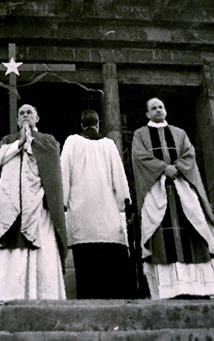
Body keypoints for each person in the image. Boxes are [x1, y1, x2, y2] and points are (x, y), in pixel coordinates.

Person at [131, 97, 214, 299]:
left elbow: (189, 154)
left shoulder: (179, 133)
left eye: (161, 107)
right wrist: (164, 168)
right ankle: (168, 288)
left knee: (194, 227)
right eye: (153, 108)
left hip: (182, 190)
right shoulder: (140, 134)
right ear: (147, 114)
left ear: (166, 110)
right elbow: (139, 156)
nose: (158, 110)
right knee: (158, 233)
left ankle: (199, 287)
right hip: (157, 191)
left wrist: (176, 168)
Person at [0, 103, 67, 300]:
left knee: (41, 255)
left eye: (30, 112)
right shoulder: (7, 142)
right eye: (22, 113)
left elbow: (52, 162)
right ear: (17, 120)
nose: (25, 115)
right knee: (12, 258)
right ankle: (9, 296)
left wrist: (30, 142)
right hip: (10, 208)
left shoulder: (47, 140)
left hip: (37, 209)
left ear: (37, 118)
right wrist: (18, 144)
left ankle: (43, 298)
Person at [60, 109, 132, 298]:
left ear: (81, 124)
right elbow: (119, 174)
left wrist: (63, 202)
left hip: (81, 210)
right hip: (107, 210)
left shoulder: (71, 142)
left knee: (86, 263)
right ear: (98, 124)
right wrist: (123, 201)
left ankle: (88, 298)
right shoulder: (108, 144)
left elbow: (63, 173)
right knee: (110, 261)